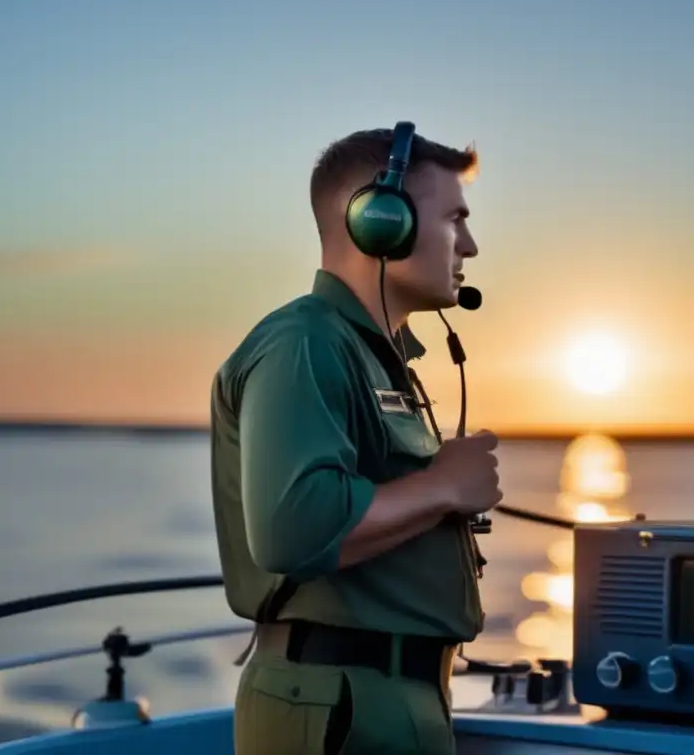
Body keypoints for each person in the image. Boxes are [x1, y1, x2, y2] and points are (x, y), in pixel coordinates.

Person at [209, 123, 503, 755]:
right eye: (455, 218)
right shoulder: (305, 344)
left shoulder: (377, 358)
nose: (470, 245)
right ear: (380, 221)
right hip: (336, 704)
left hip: (398, 697)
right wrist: (444, 485)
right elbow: (294, 527)